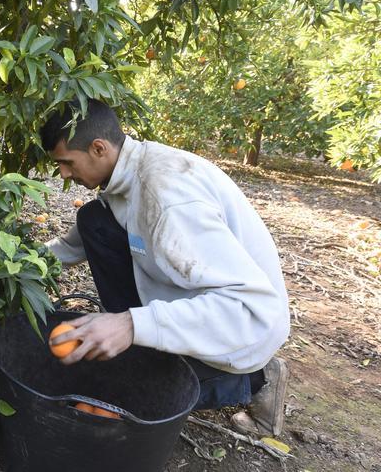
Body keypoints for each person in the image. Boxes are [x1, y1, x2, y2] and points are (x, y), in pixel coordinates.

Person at [42, 99, 291, 437]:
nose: (64, 174)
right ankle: (145, 345)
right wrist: (19, 263)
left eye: (67, 163)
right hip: (195, 292)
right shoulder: (127, 172)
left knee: (125, 398)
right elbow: (71, 247)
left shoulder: (169, 203)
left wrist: (132, 325)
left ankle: (255, 378)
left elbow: (251, 310)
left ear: (98, 148)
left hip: (245, 326)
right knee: (94, 222)